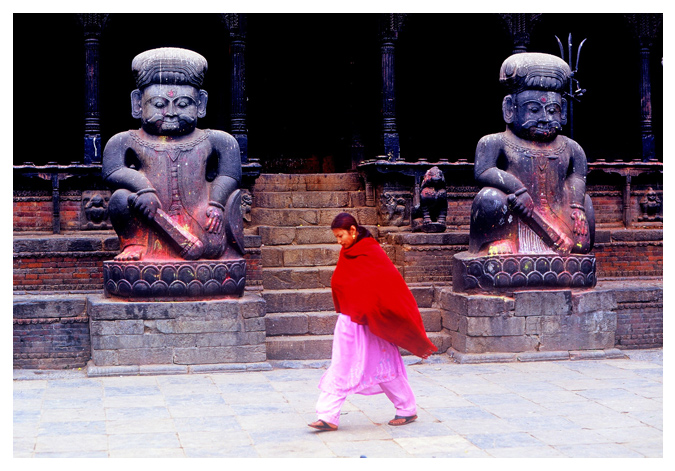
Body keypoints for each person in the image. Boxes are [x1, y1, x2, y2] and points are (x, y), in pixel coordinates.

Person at [102, 47, 243, 262]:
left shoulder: (217, 140)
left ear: (201, 104)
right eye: (158, 104)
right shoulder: (124, 140)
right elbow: (112, 170)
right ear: (138, 103)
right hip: (150, 221)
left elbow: (230, 173)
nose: (170, 112)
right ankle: (133, 243)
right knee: (120, 198)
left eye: (183, 104)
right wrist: (143, 189)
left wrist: (216, 203)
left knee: (213, 248)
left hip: (199, 221)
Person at [308, 213, 437, 432]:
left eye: (341, 236)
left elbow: (387, 285)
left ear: (353, 230)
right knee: (342, 365)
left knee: (385, 366)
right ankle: (327, 414)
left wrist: (377, 312)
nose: (339, 241)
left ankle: (406, 408)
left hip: (373, 323)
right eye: (336, 237)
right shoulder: (347, 253)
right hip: (350, 321)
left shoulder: (370, 251)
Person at [469, 52, 594, 256]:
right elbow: (483, 171)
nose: (545, 118)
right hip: (516, 214)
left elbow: (578, 176)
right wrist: (517, 189)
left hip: (557, 216)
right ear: (510, 108)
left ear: (562, 112)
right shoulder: (494, 141)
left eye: (552, 110)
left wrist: (577, 206)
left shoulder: (571, 147)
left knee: (582, 237)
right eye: (534, 110)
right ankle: (498, 240)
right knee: (489, 198)